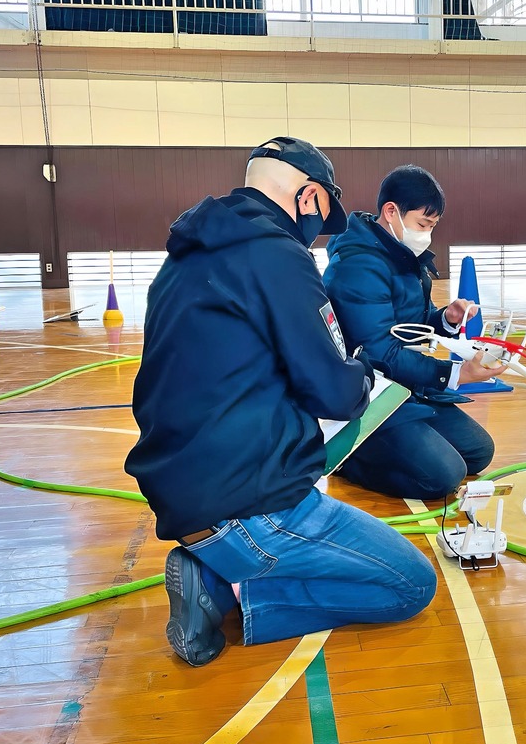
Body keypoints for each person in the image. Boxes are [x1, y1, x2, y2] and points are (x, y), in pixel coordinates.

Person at [125, 137, 437, 667]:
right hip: (253, 505)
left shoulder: (182, 259)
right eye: (320, 215)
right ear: (310, 197)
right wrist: (364, 369)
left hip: (182, 496)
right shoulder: (277, 256)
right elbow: (337, 393)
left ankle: (216, 571)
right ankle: (231, 593)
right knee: (411, 586)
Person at [322, 164, 505, 501]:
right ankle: (349, 456)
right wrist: (456, 373)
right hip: (370, 394)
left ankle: (404, 441)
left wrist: (446, 319)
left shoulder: (402, 256)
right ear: (391, 212)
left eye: (432, 226)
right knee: (442, 476)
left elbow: (411, 329)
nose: (427, 234)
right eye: (423, 224)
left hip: (406, 387)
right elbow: (379, 352)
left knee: (478, 452)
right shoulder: (357, 266)